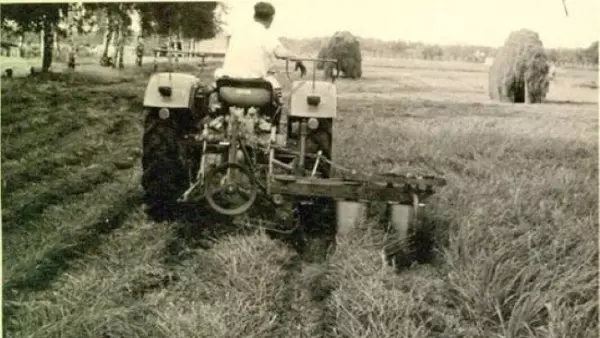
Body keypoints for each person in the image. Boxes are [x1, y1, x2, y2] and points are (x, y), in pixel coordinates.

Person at [215, 1, 306, 104]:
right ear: (271, 18)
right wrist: (298, 59)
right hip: (256, 90)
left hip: (227, 88)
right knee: (277, 92)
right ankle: (274, 115)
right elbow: (281, 53)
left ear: (254, 16)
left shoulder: (237, 32)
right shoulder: (266, 34)